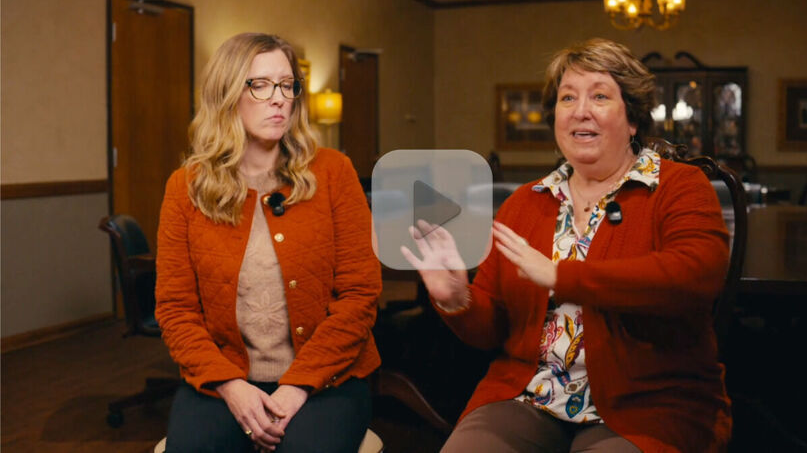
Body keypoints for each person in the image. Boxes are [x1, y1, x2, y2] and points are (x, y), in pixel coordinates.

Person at [402, 39, 732, 452]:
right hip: (528, 397)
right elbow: (493, 331)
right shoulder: (525, 203)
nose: (580, 110)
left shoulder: (679, 187)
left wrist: (562, 276)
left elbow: (696, 275)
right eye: (567, 98)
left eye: (599, 96)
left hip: (649, 402)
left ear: (632, 119)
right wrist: (457, 299)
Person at [155, 32, 381, 452]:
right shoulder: (184, 187)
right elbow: (176, 309)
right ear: (226, 94)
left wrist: (296, 388)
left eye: (286, 84)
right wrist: (231, 387)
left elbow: (359, 295)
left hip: (327, 380)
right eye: (259, 85)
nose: (278, 98)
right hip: (223, 380)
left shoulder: (334, 172)